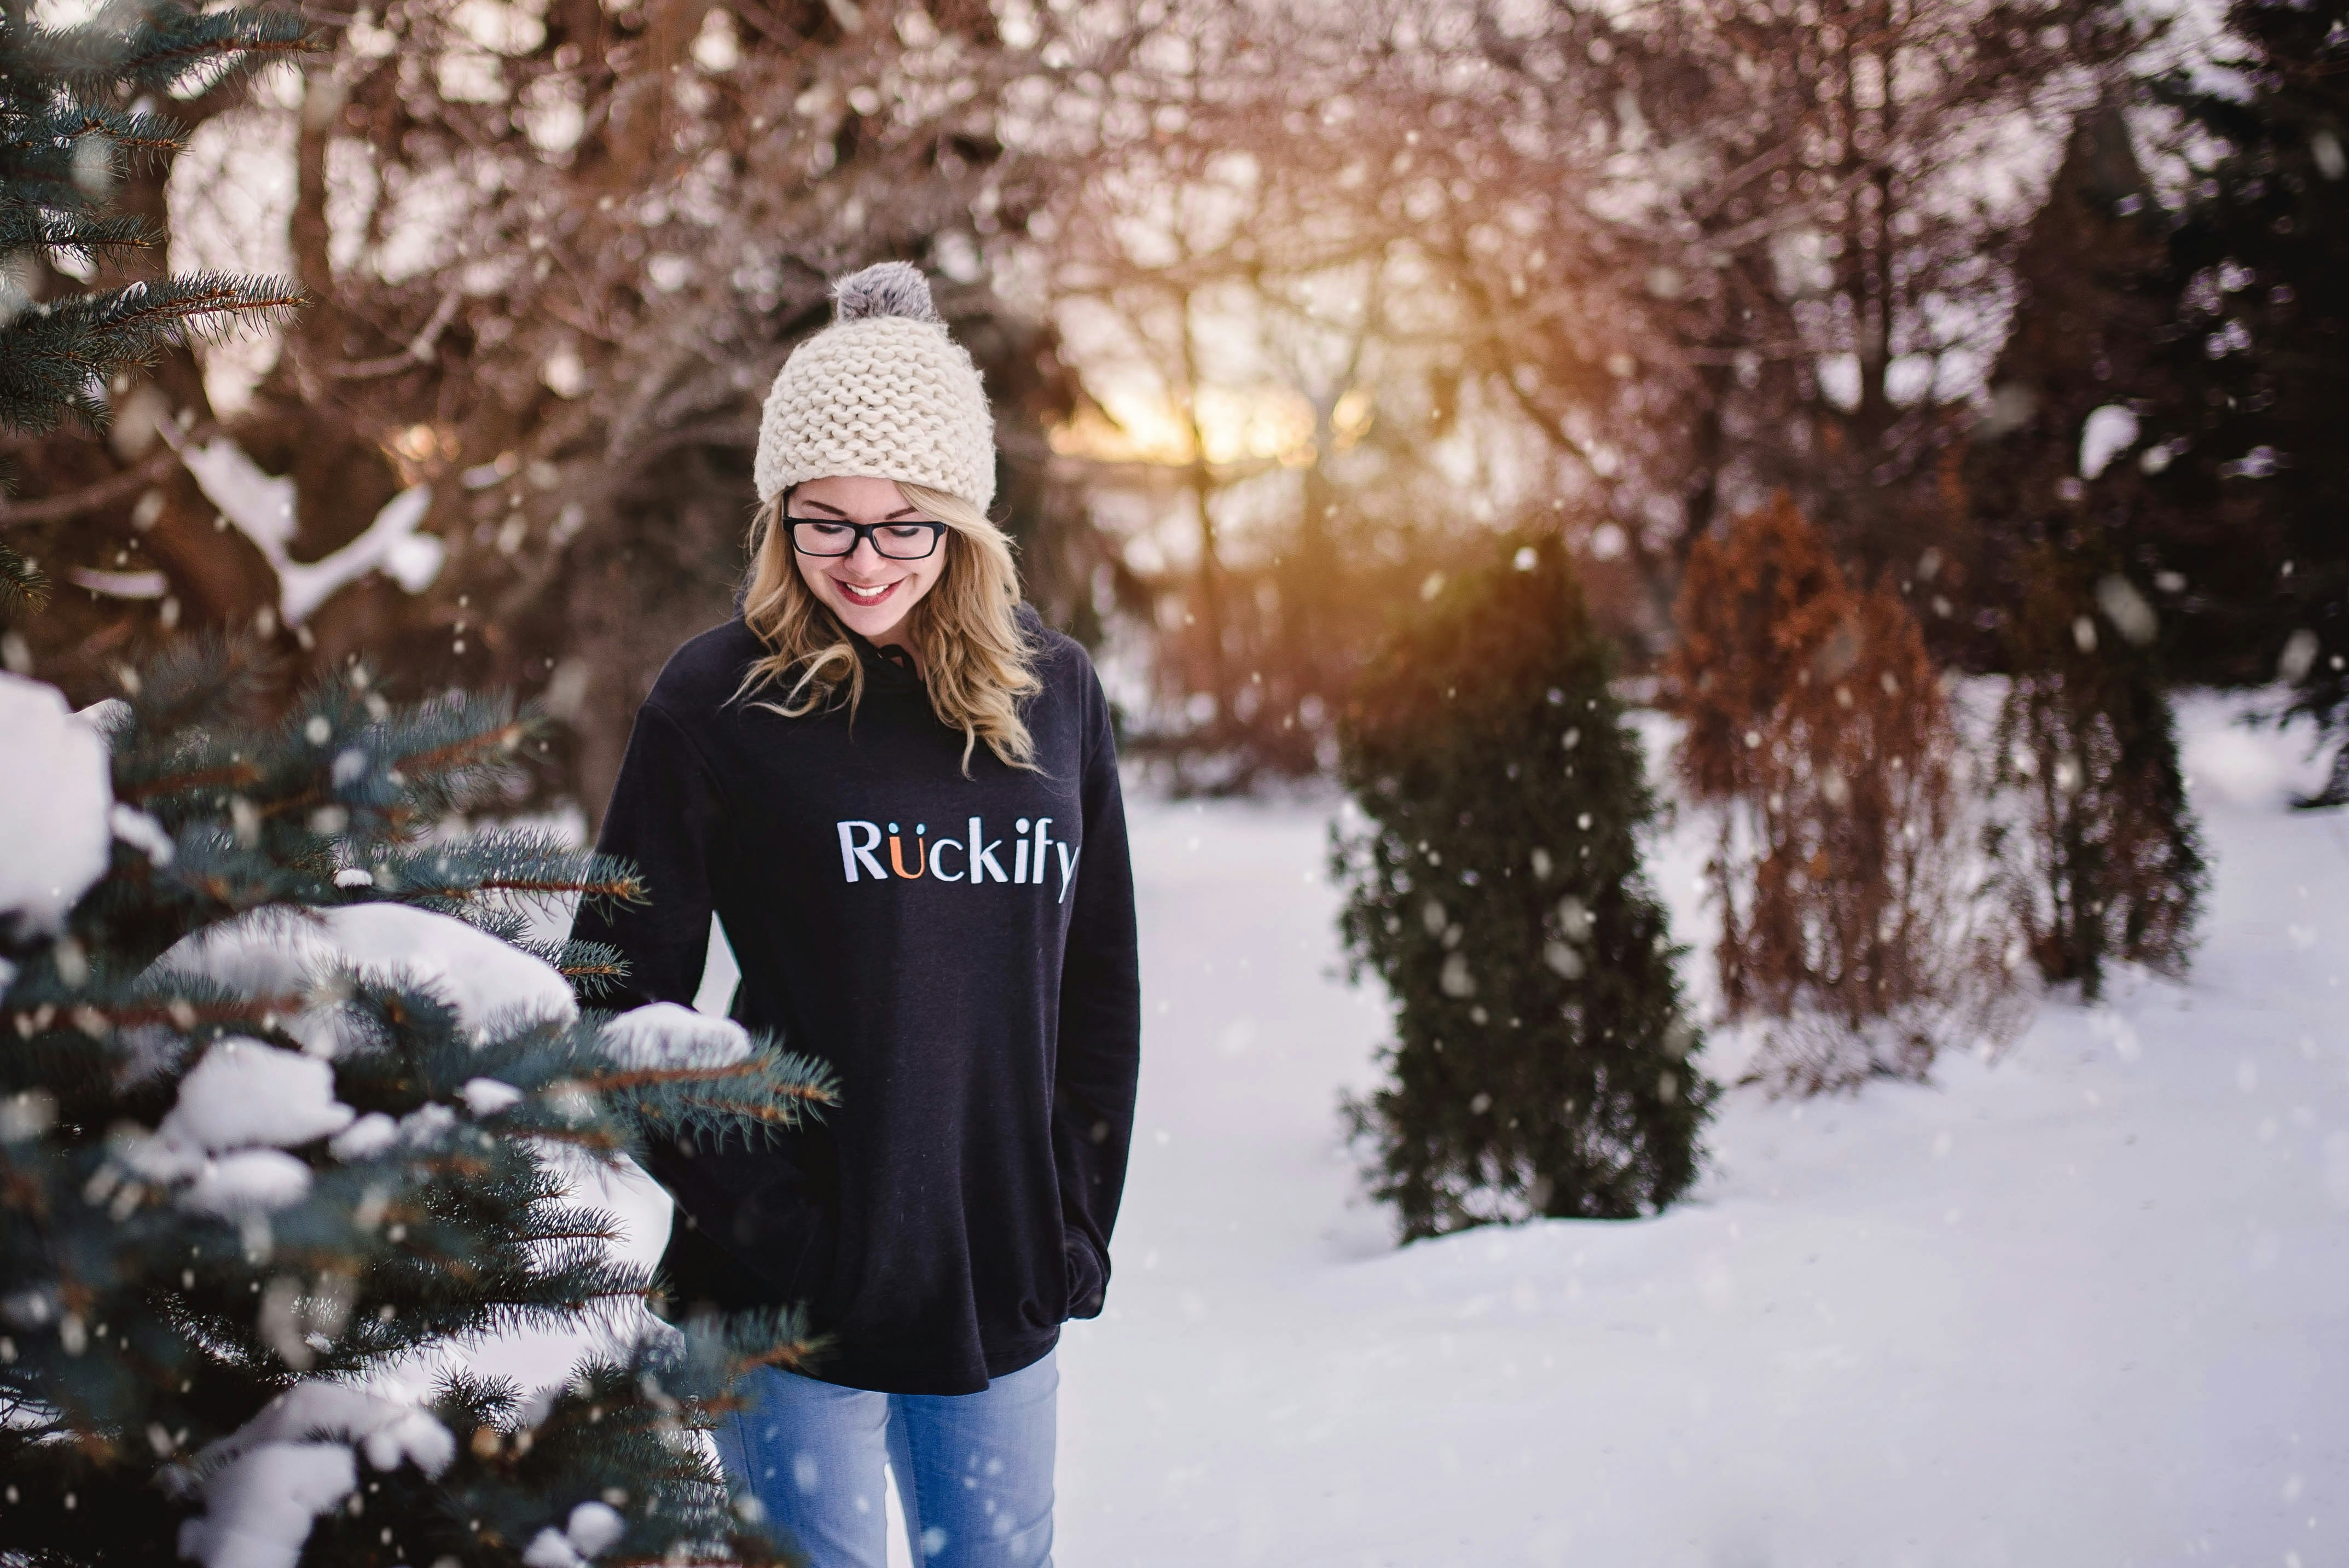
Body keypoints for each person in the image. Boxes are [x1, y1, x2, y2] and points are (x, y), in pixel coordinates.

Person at [567, 261, 1141, 1568]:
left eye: (904, 526)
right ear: (778, 517)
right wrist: (775, 1226)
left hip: (996, 1268)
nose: (863, 561)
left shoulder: (1056, 694)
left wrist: (1070, 1218)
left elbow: (1095, 983)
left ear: (962, 523)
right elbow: (612, 993)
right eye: (824, 522)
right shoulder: (716, 697)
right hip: (788, 1293)